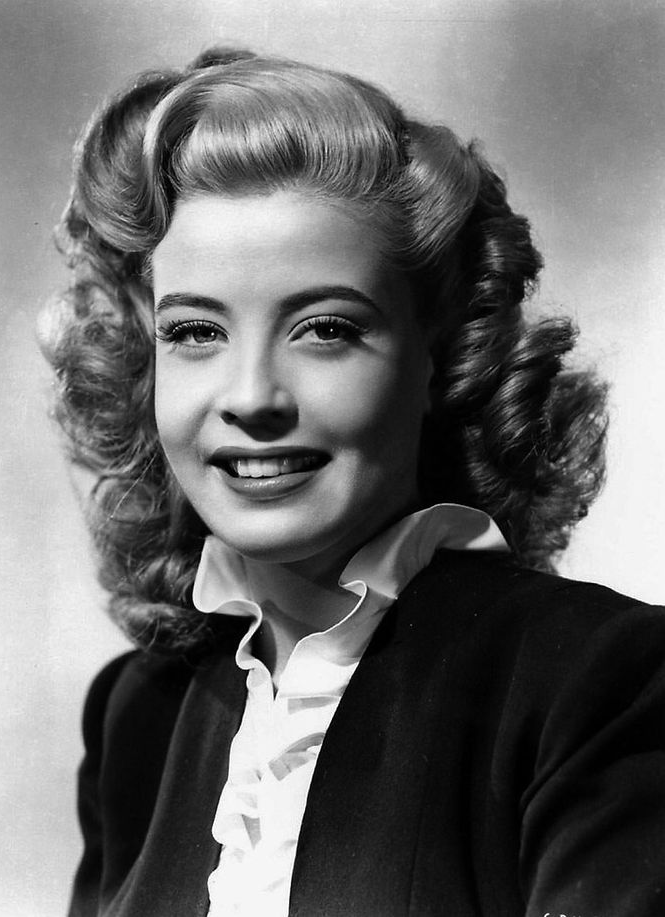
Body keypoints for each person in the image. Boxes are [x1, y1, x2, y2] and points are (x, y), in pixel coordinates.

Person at [40, 47, 665, 917]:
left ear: (442, 358)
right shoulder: (137, 714)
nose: (252, 395)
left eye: (324, 329)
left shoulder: (599, 680)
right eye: (193, 332)